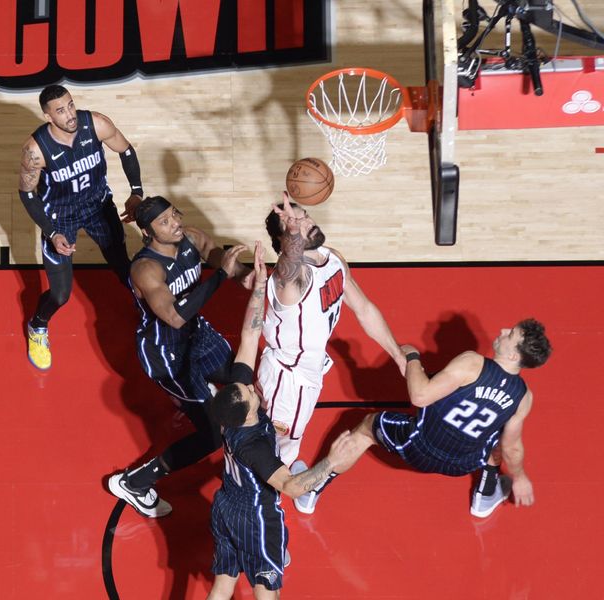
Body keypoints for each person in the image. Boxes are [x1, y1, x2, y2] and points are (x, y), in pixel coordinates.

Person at [207, 241, 349, 599]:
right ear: (250, 412)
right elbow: (291, 487)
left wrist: (259, 288)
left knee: (223, 586)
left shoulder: (234, 414)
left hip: (225, 507)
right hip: (256, 515)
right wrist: (331, 461)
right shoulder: (255, 445)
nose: (255, 389)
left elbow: (250, 333)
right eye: (253, 394)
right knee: (265, 588)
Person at [258, 192, 406, 512]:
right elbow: (289, 263)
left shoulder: (332, 258)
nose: (307, 222)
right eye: (295, 223)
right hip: (289, 380)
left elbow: (364, 309)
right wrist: (293, 234)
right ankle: (266, 505)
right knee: (276, 450)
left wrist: (397, 355)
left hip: (307, 372)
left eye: (305, 216)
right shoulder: (289, 279)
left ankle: (281, 479)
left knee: (285, 442)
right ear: (285, 238)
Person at [107, 196, 253, 517]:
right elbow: (174, 316)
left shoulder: (190, 238)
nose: (174, 224)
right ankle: (136, 482)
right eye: (164, 223)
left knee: (241, 378)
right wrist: (219, 278)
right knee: (212, 436)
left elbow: (217, 256)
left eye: (174, 216)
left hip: (197, 335)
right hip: (168, 356)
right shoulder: (145, 268)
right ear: (148, 232)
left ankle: (210, 410)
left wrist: (253, 279)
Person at [326, 319, 552, 518]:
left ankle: (312, 488)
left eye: (510, 334)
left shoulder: (472, 362)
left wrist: (413, 357)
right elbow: (512, 449)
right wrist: (520, 477)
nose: (503, 330)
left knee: (367, 426)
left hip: (417, 447)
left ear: (513, 355)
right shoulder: (524, 397)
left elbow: (420, 396)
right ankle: (485, 496)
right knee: (500, 435)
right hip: (461, 465)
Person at [18, 84, 144, 370]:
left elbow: (125, 150)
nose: (70, 115)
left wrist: (137, 191)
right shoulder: (35, 150)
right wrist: (51, 231)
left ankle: (145, 309)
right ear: (48, 116)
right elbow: (26, 193)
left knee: (123, 266)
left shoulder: (96, 123)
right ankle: (37, 326)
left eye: (71, 105)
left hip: (98, 206)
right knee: (60, 294)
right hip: (60, 218)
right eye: (60, 111)